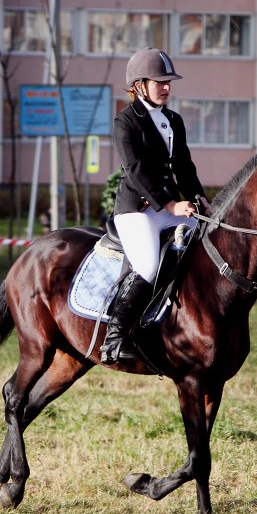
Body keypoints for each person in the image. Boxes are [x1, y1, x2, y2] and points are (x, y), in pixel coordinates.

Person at [100, 47, 209, 365]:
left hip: (170, 206)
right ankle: (115, 338)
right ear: (138, 85)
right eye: (159, 81)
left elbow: (184, 165)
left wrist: (198, 197)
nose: (166, 87)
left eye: (168, 82)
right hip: (136, 211)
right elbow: (135, 171)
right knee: (147, 265)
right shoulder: (125, 122)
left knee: (202, 243)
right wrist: (172, 204)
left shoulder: (173, 120)